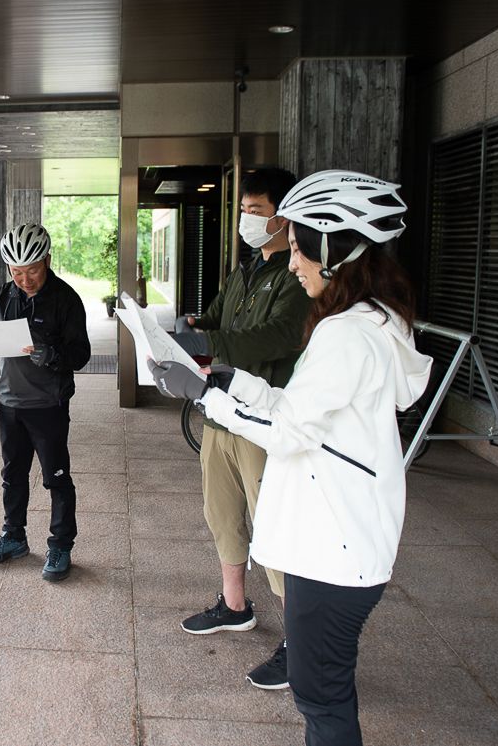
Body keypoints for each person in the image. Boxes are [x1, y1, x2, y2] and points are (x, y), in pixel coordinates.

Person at [150, 169, 432, 746]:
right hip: (347, 539)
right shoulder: (371, 322)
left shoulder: (346, 334)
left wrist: (205, 394)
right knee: (326, 693)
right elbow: (301, 407)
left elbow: (287, 430)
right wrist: (230, 380)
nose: (295, 262)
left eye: (302, 249)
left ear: (333, 251)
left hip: (333, 550)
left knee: (321, 701)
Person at [172, 167, 312, 690]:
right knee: (222, 512)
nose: (246, 220)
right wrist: (193, 327)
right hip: (221, 412)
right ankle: (234, 605)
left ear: (284, 217)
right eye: (244, 211)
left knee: (272, 526)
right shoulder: (248, 267)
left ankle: (300, 642)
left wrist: (212, 349)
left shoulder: (296, 277)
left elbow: (277, 337)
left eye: (256, 211)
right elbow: (217, 318)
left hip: (264, 419)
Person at [0, 222, 91, 581]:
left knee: (56, 477)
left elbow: (81, 353)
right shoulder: (3, 296)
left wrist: (51, 354)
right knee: (12, 475)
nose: (25, 279)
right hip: (10, 405)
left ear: (48, 261)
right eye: (16, 272)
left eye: (33, 270)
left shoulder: (65, 299)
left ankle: (60, 544)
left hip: (48, 406)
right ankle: (13, 536)